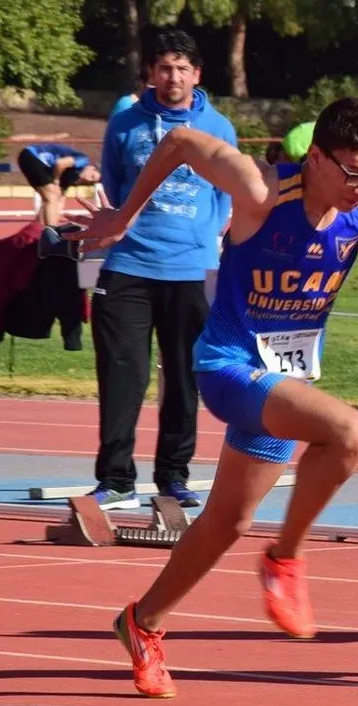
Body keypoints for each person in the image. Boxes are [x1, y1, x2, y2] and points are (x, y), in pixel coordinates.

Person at [66, 97, 358, 698]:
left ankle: (142, 623)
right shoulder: (258, 191)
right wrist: (123, 217)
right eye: (352, 173)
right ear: (318, 158)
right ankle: (286, 559)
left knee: (226, 523)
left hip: (283, 382)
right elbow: (179, 144)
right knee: (351, 433)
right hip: (227, 366)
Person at [90, 29, 238, 512]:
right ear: (150, 73)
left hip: (192, 270)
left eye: (181, 68)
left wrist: (205, 246)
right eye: (163, 68)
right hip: (129, 266)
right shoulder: (125, 125)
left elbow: (226, 195)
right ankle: (115, 480)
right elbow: (114, 188)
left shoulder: (218, 127)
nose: (172, 77)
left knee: (183, 377)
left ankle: (173, 475)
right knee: (121, 375)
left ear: (196, 75)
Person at [15, 142, 101, 226]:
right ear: (91, 167)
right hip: (32, 155)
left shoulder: (71, 177)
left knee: (53, 199)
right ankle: (51, 232)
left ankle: (38, 230)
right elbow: (60, 163)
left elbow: (60, 200)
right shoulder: (83, 160)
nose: (88, 179)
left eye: (91, 181)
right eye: (92, 176)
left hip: (41, 165)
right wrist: (56, 180)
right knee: (51, 197)